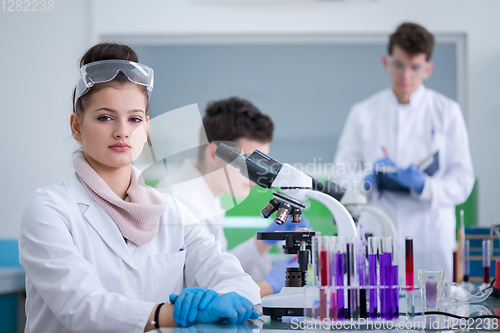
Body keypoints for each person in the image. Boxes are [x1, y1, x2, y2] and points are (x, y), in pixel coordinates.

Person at [19, 43, 261, 333]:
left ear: (146, 128)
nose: (122, 130)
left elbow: (239, 282)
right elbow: (83, 308)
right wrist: (178, 314)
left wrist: (217, 301)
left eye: (134, 119)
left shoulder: (171, 212)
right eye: (105, 117)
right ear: (76, 126)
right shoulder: (49, 209)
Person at [333, 23, 474, 282]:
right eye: (398, 65)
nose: (405, 75)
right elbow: (341, 172)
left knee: (433, 314)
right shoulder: (363, 113)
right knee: (376, 313)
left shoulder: (447, 112)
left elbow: (463, 181)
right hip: (378, 234)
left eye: (415, 67)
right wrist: (366, 180)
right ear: (385, 62)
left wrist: (425, 186)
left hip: (429, 238)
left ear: (428, 69)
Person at [155, 97, 311, 297]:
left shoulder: (208, 194)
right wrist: (269, 286)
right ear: (215, 154)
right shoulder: (180, 201)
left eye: (263, 166)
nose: (258, 176)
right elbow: (205, 294)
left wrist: (263, 242)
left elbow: (218, 264)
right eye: (251, 165)